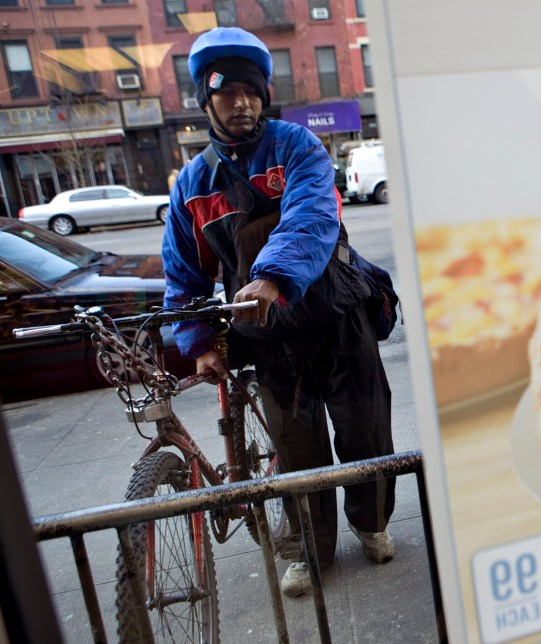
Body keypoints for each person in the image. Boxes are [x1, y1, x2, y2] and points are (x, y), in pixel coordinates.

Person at [161, 26, 396, 598]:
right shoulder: (193, 185)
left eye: (250, 91)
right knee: (297, 446)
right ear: (206, 101)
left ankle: (372, 522)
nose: (240, 103)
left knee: (366, 428)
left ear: (264, 96)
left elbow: (313, 215)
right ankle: (310, 550)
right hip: (265, 332)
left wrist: (272, 276)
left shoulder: (297, 146)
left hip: (337, 313)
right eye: (226, 93)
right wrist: (198, 341)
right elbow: (183, 272)